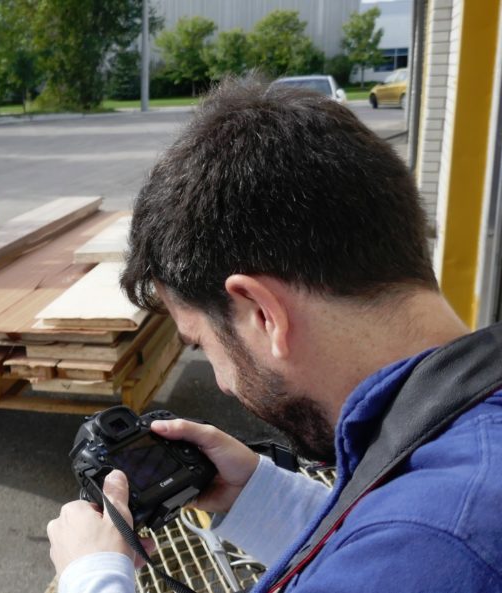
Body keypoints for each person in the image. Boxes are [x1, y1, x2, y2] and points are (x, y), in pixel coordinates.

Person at [47, 76, 502, 592]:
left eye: (201, 344)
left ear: (263, 313)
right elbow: (380, 539)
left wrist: (91, 576)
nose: (221, 383)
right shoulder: (460, 452)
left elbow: (410, 554)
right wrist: (262, 497)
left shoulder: (435, 544)